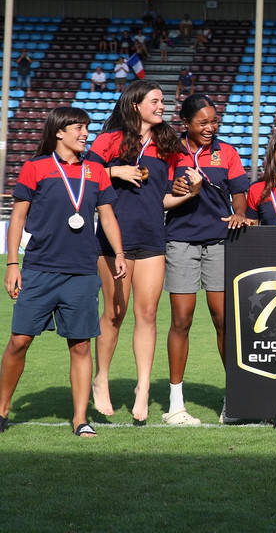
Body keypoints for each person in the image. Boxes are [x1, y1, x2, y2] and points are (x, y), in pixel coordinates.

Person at [0, 108, 126, 437]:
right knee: (19, 341)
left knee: (81, 346)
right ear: (59, 132)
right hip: (40, 270)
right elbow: (17, 219)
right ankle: (1, 410)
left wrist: (120, 253)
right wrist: (13, 263)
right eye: (79, 128)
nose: (86, 133)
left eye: (87, 127)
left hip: (83, 273)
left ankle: (80, 419)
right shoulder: (35, 168)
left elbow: (108, 216)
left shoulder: (96, 170)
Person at [87, 80, 183, 421]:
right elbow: (83, 174)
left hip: (153, 239)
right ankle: (101, 380)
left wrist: (190, 191)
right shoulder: (108, 140)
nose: (162, 106)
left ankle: (142, 388)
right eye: (155, 101)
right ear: (134, 105)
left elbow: (166, 196)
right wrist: (114, 170)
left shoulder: (168, 143)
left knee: (148, 315)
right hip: (114, 243)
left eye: (162, 101)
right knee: (114, 314)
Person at [162, 95, 250, 426]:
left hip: (219, 242)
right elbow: (164, 192)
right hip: (181, 241)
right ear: (185, 123)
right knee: (181, 320)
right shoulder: (171, 153)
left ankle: (236, 397)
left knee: (223, 320)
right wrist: (182, 186)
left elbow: (239, 193)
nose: (211, 127)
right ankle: (175, 403)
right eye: (203, 122)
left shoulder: (227, 152)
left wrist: (240, 213)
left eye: (214, 121)